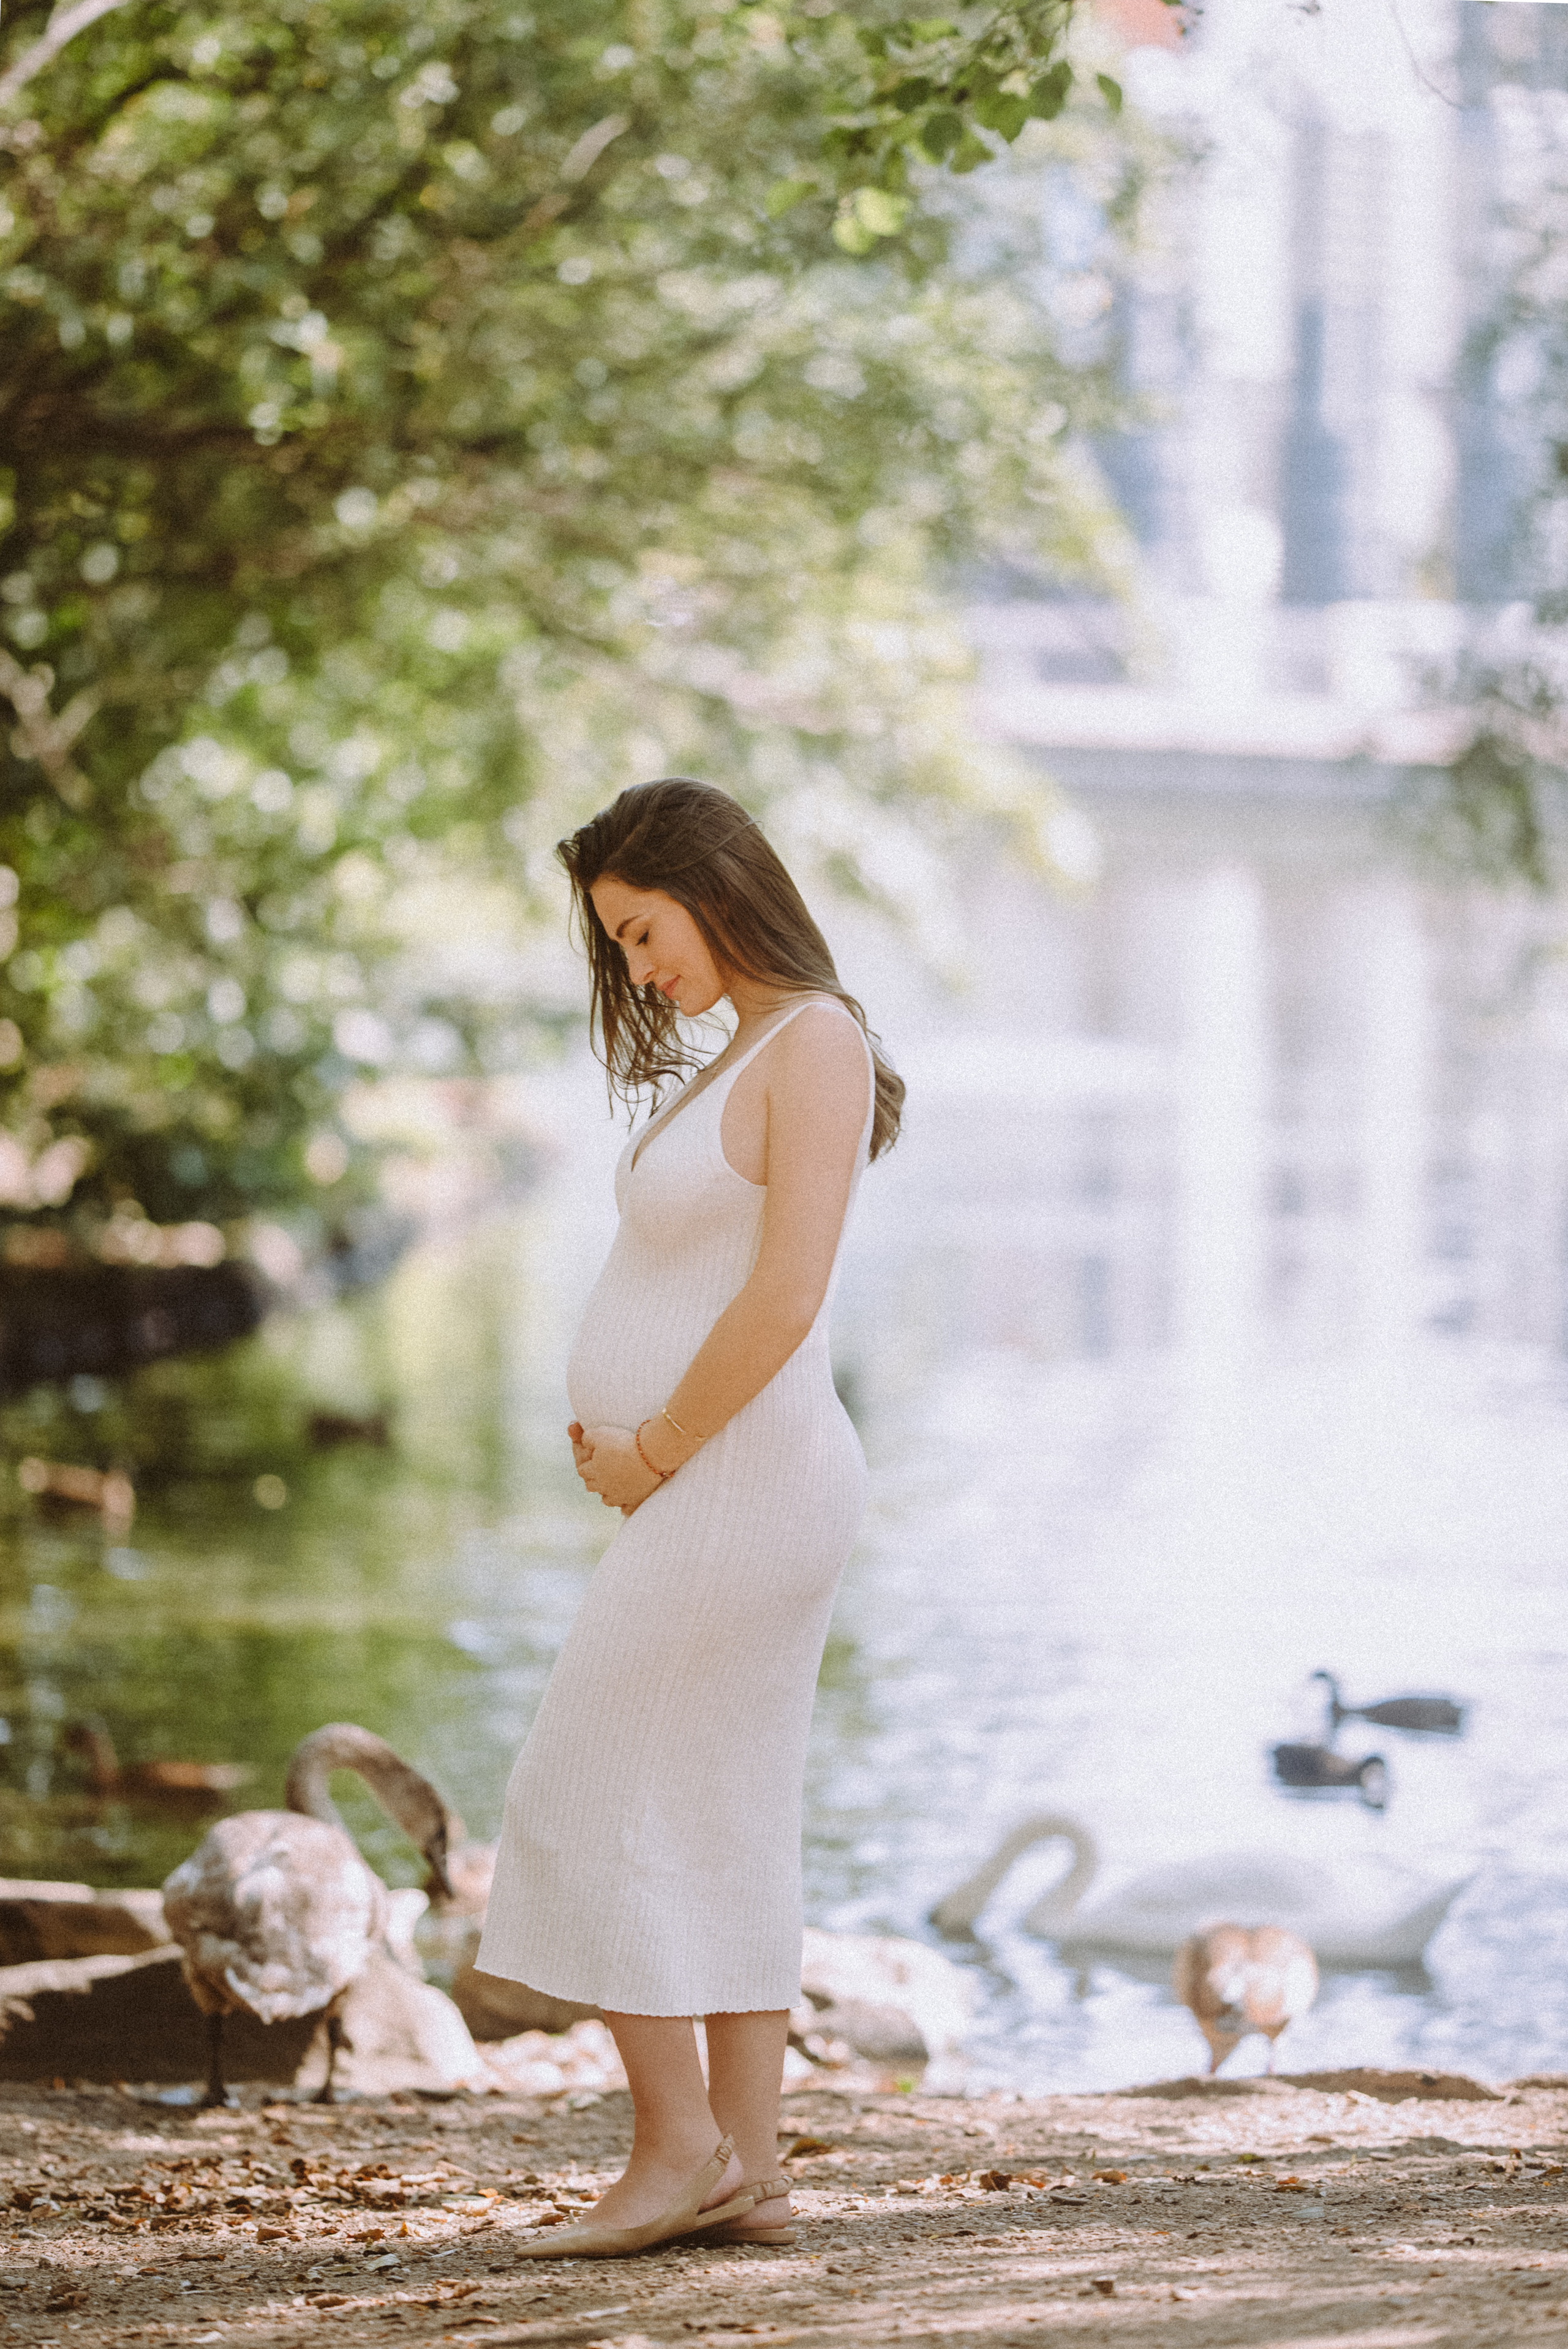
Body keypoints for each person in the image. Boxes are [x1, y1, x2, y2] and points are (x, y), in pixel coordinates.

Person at [476, 776, 903, 2258]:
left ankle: (676, 2155)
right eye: (620, 944)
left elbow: (785, 1297)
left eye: (645, 931)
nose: (641, 970)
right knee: (718, 1809)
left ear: (718, 884)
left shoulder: (815, 1040)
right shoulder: (751, 1052)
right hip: (724, 1482)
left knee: (579, 1788)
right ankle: (753, 2173)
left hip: (738, 1478)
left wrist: (652, 1445)